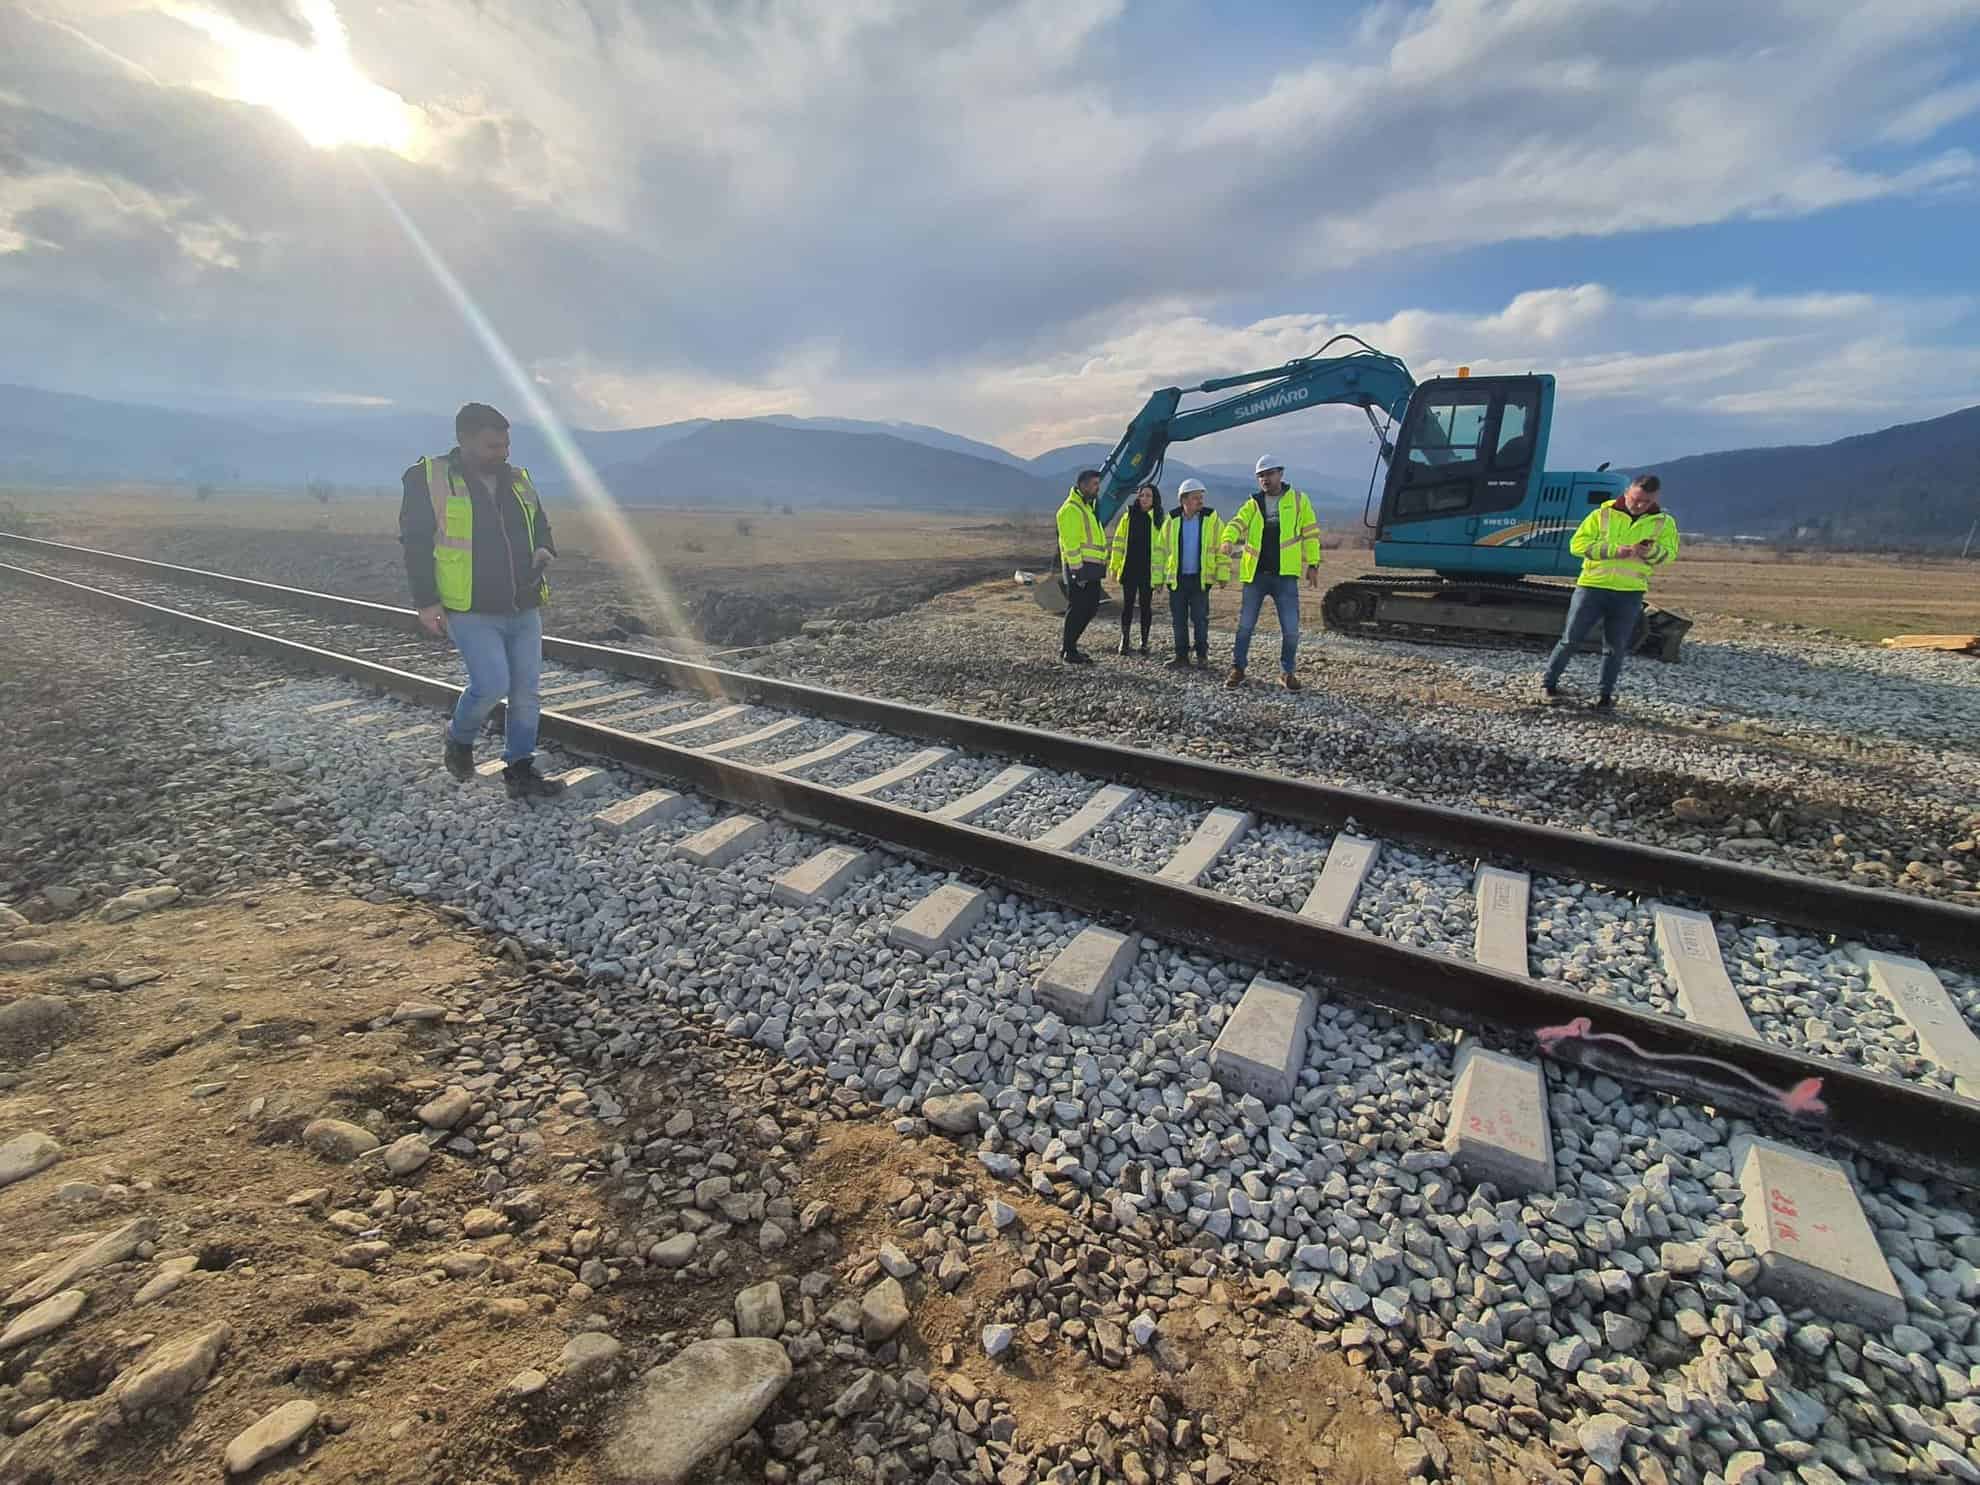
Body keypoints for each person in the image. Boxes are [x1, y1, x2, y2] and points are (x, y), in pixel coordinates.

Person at [398, 402, 565, 798]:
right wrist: (426, 601)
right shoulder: (428, 478)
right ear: (464, 440)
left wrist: (544, 547)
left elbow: (541, 523)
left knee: (527, 692)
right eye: (492, 446)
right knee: (491, 685)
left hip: (523, 603)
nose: (502, 453)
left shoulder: (519, 478)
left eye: (505, 445)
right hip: (469, 607)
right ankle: (459, 738)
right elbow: (416, 544)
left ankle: (521, 772)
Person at [1542, 473, 1678, 710]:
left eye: (1646, 502)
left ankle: (1604, 698)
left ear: (1655, 499)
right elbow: (1577, 545)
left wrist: (1649, 553)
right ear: (1627, 493)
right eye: (1636, 499)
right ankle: (1548, 685)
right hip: (1592, 587)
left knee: (1616, 648)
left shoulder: (1664, 523)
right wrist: (1614, 551)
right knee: (1570, 640)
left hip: (1630, 592)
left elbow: (1669, 555)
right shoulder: (1600, 515)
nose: (1639, 505)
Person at [1222, 455, 1322, 690]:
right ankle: (1238, 669)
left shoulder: (1299, 500)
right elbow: (1236, 523)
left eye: (1269, 473)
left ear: (1281, 474)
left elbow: (1311, 533)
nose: (1265, 479)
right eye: (1261, 475)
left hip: (1285, 576)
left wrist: (1314, 564)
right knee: (1245, 626)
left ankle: (1287, 673)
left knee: (1290, 630)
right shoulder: (1253, 503)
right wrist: (1228, 539)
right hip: (1255, 576)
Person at [1162, 478, 1226, 668]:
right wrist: (1158, 579)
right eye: (1196, 498)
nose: (1200, 501)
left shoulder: (1212, 519)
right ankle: (1181, 656)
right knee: (1178, 620)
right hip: (1178, 580)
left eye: (1201, 497)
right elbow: (1160, 551)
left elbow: (1221, 549)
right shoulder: (1171, 520)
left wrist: (1222, 575)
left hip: (1200, 579)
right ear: (1184, 500)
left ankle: (1202, 656)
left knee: (1200, 619)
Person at [1106, 482, 1169, 656]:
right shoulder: (1128, 517)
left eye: (1148, 495)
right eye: (1141, 495)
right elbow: (1118, 543)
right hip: (1130, 568)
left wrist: (1161, 577)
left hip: (1148, 571)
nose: (1144, 499)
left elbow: (1164, 551)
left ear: (1154, 499)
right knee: (1127, 605)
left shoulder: (1159, 520)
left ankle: (1144, 642)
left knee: (1145, 607)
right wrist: (1114, 566)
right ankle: (1124, 640)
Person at [1055, 468, 1109, 664]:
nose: (1097, 488)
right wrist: (1078, 572)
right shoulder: (1071, 509)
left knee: (1090, 608)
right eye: (1094, 484)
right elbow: (1071, 544)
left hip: (1091, 568)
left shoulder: (1087, 508)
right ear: (1083, 485)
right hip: (1080, 569)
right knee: (1078, 608)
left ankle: (1071, 646)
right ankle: (1068, 650)